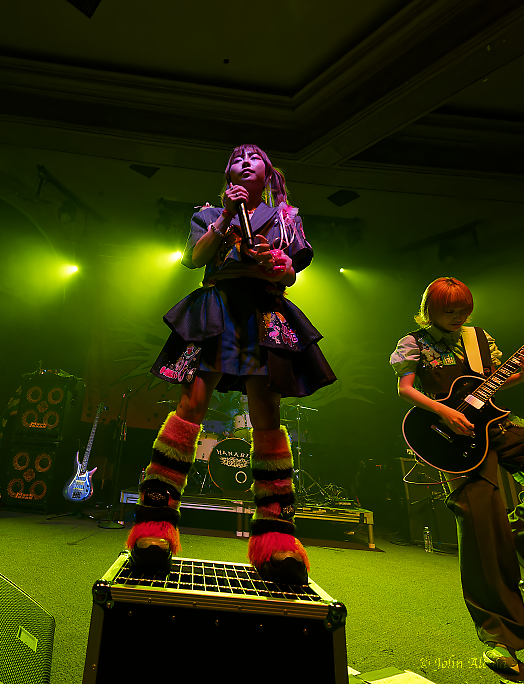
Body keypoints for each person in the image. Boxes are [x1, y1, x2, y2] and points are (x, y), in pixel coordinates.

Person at [131, 144, 336, 584]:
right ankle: (154, 528)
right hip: (217, 308)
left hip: (264, 310)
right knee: (191, 406)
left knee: (267, 414)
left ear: (267, 174)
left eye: (253, 159)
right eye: (236, 159)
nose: (244, 163)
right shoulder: (209, 212)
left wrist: (276, 264)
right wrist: (224, 218)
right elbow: (195, 259)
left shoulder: (286, 216)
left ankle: (277, 541)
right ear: (227, 175)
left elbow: (292, 273)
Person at [389, 277, 524, 680]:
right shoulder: (414, 342)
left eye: (463, 309)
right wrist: (443, 412)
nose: (458, 317)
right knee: (480, 529)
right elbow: (405, 389)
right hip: (452, 440)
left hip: (498, 425)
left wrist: (522, 377)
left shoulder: (479, 339)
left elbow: (495, 383)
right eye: (449, 310)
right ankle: (499, 640)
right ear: (430, 309)